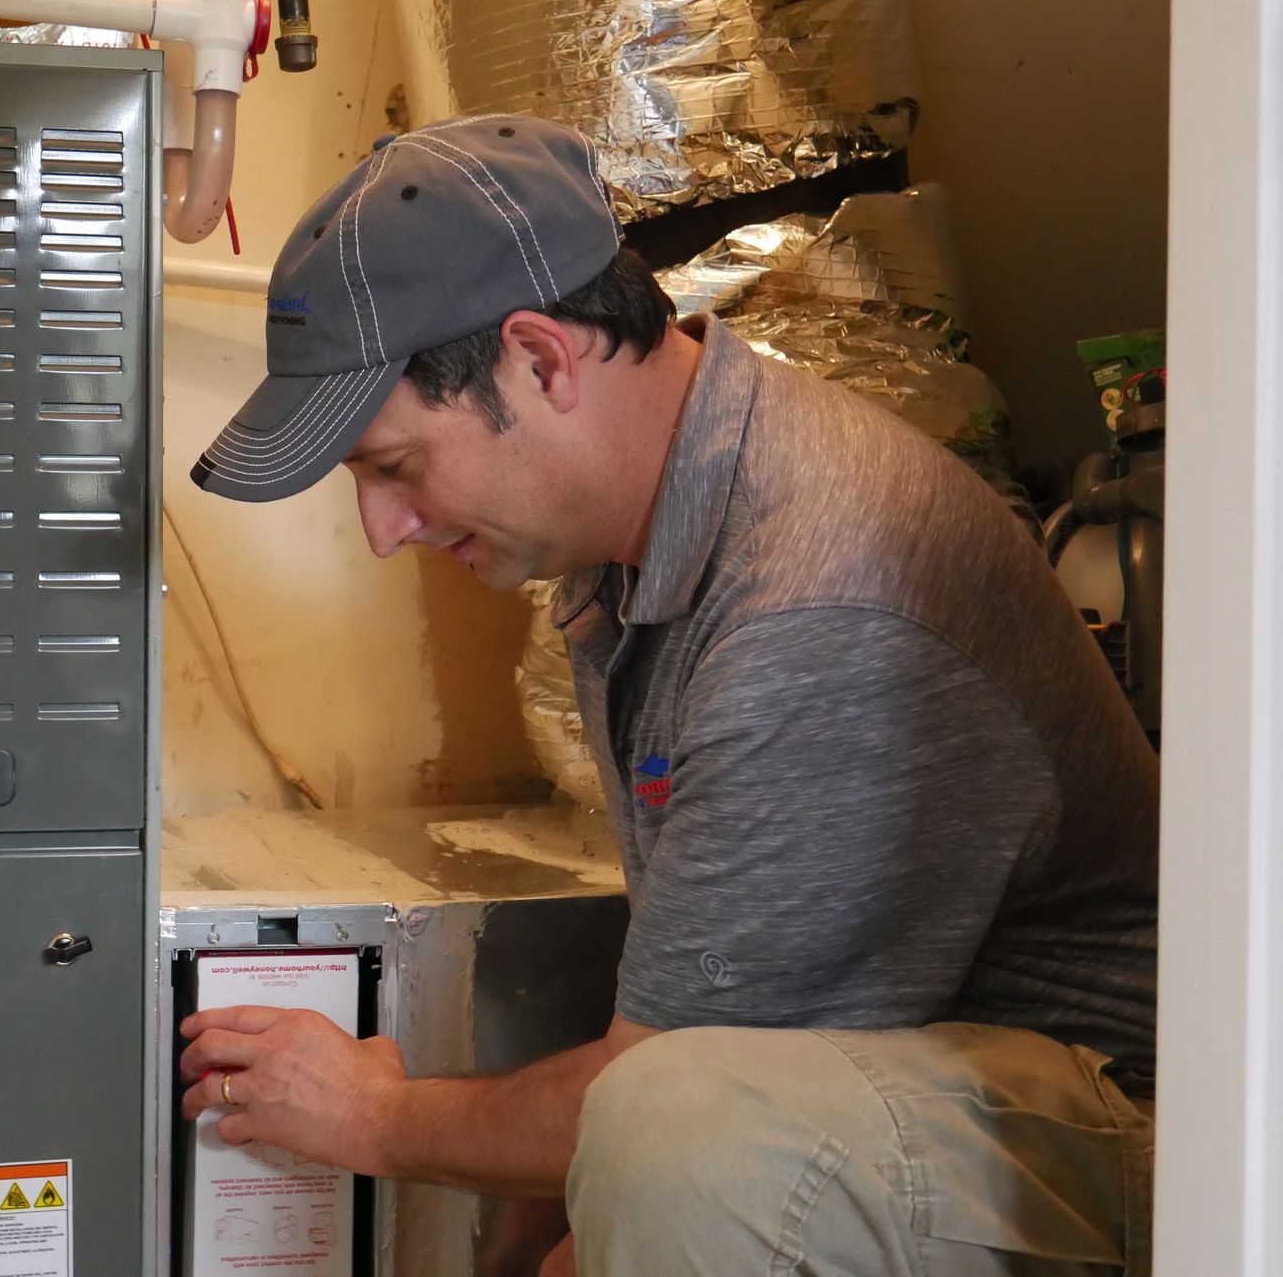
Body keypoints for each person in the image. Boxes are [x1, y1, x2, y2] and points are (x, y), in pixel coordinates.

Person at [182, 116, 1158, 1277]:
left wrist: (375, 1114)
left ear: (541, 360)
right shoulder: (635, 541)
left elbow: (672, 1098)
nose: (385, 531)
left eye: (394, 467)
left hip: (1115, 1128)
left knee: (674, 1139)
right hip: (895, 1086)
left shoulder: (813, 601)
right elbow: (675, 1026)